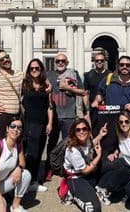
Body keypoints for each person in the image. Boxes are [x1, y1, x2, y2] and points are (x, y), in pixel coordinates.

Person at [91, 55, 130, 160]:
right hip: (109, 119)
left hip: (126, 122)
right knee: (107, 148)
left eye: (127, 65)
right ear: (118, 66)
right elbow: (100, 93)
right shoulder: (109, 78)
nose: (124, 67)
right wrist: (96, 101)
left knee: (127, 148)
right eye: (122, 65)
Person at [44, 53, 86, 181]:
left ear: (67, 62)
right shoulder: (48, 75)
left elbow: (83, 92)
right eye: (58, 61)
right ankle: (49, 169)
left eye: (63, 61)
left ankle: (67, 168)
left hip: (69, 116)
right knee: (51, 143)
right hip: (53, 116)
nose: (60, 63)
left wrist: (68, 87)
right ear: (54, 62)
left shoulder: (73, 73)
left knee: (69, 144)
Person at [62, 118, 107, 212]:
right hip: (76, 178)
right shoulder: (73, 150)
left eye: (84, 129)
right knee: (95, 209)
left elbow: (90, 144)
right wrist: (98, 155)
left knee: (112, 166)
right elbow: (86, 170)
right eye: (78, 130)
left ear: (88, 131)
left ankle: (94, 188)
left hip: (87, 175)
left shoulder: (86, 140)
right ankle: (71, 193)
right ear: (74, 132)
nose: (81, 132)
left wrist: (100, 135)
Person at [22, 58, 53, 193]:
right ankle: (26, 182)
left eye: (37, 68)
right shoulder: (24, 84)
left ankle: (33, 181)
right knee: (31, 154)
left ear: (41, 70)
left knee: (39, 152)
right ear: (29, 71)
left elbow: (50, 107)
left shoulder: (46, 87)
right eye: (32, 68)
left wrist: (50, 123)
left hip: (42, 123)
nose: (34, 70)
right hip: (29, 124)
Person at [83, 52, 112, 126]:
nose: (99, 62)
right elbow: (85, 94)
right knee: (94, 131)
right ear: (94, 61)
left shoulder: (111, 75)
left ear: (105, 61)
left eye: (101, 60)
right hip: (94, 109)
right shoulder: (88, 75)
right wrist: (85, 112)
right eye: (97, 60)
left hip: (108, 109)